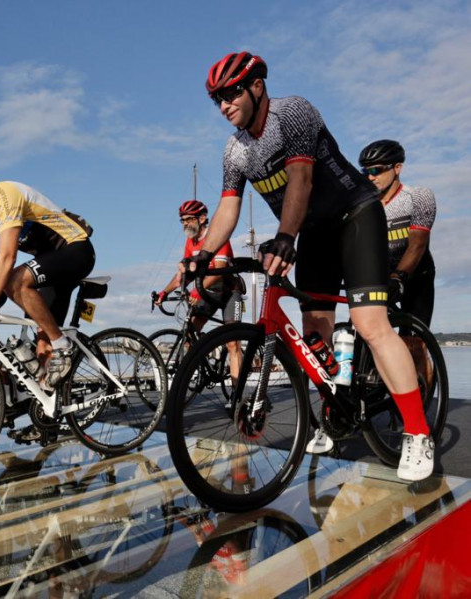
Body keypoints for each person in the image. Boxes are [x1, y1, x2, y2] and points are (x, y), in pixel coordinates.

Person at [192, 52, 433, 480]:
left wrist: (285, 237)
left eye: (230, 93)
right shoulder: (235, 151)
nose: (225, 104)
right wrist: (201, 255)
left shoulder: (293, 113)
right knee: (314, 331)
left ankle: (417, 433)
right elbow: (228, 210)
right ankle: (334, 408)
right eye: (217, 99)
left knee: (370, 324)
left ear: (256, 87)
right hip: (316, 231)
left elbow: (300, 179)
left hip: (356, 216)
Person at [0, 146, 96, 394]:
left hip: (74, 250)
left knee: (13, 282)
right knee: (42, 347)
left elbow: (7, 256)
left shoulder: (4, 193)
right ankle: (48, 421)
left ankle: (64, 346)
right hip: (48, 264)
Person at [154, 199, 244, 387]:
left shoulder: (218, 237)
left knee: (232, 343)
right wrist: (163, 292)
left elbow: (219, 271)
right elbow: (182, 274)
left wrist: (196, 291)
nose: (185, 223)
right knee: (189, 335)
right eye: (182, 220)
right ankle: (204, 366)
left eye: (188, 219)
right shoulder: (190, 241)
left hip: (229, 291)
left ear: (202, 218)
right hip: (208, 292)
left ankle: (238, 395)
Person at [358, 140, 437, 327]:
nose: (370, 177)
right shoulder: (363, 205)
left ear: (397, 167)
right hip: (380, 276)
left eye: (376, 170)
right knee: (368, 333)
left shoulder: (418, 197)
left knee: (413, 341)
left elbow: (417, 245)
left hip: (415, 275)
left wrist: (398, 277)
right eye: (365, 172)